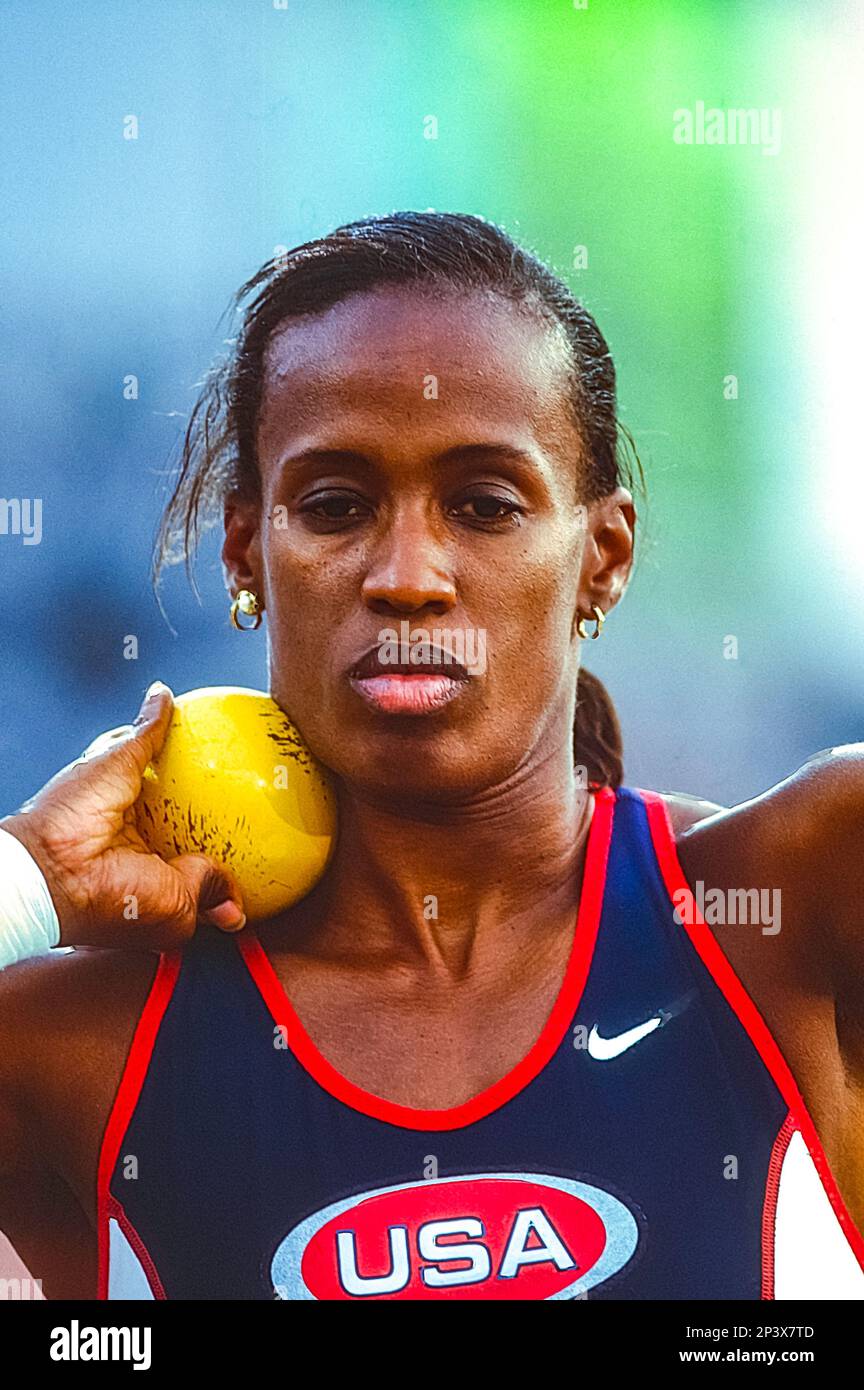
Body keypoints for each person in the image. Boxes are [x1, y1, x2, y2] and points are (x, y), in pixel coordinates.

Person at [1, 211, 862, 1301]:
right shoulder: (78, 1046)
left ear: (604, 556)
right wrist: (29, 879)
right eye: (336, 505)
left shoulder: (799, 905)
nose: (408, 574)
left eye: (483, 504)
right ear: (245, 550)